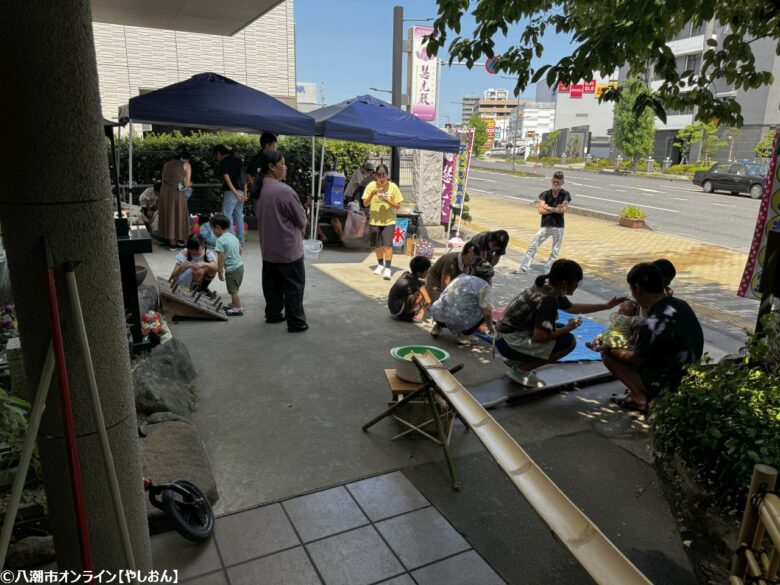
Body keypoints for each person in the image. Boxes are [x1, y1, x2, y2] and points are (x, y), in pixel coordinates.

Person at [496, 259, 625, 387]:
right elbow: (539, 337)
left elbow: (572, 308)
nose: (577, 286)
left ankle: (516, 361)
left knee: (558, 328)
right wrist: (569, 328)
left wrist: (606, 306)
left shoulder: (546, 286)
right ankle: (520, 370)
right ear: (564, 283)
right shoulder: (548, 300)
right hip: (508, 343)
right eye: (577, 283)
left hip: (503, 337)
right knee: (568, 341)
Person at [603, 263, 703, 414]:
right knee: (629, 348)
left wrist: (610, 347)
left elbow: (636, 359)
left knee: (608, 354)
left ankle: (639, 398)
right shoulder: (681, 304)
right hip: (688, 374)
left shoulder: (652, 322)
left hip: (668, 382)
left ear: (637, 288)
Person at [254, 151, 309, 332]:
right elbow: (301, 220)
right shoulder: (284, 191)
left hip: (268, 249)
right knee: (293, 286)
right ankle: (296, 321)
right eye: (283, 164)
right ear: (272, 167)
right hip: (287, 249)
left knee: (272, 285)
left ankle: (273, 314)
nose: (285, 167)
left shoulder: (259, 189)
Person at [514, 171, 571, 273]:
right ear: (551, 179)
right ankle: (524, 268)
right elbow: (540, 210)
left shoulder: (565, 194)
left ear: (563, 182)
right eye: (555, 178)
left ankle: (548, 271)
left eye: (559, 179)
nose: (556, 181)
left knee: (555, 250)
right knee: (533, 246)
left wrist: (548, 207)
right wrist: (555, 209)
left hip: (558, 226)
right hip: (545, 225)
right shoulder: (545, 194)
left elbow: (563, 209)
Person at [429, 261, 495, 345]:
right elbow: (487, 313)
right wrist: (490, 328)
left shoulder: (461, 277)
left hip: (437, 313)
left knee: (449, 302)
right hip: (456, 320)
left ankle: (437, 327)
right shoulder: (484, 286)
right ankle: (463, 336)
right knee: (485, 309)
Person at [362, 163, 403, 280]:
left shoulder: (393, 187)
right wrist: (372, 194)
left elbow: (398, 206)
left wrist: (387, 200)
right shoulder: (371, 186)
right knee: (377, 245)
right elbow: (365, 203)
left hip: (389, 221)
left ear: (387, 175)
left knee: (388, 245)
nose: (381, 179)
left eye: (383, 176)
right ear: (376, 176)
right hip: (374, 220)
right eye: (379, 176)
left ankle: (388, 268)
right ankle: (380, 265)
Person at [210, 214, 244, 317]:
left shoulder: (220, 241)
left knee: (233, 290)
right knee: (234, 288)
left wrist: (220, 271)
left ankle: (238, 308)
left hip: (232, 269)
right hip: (240, 266)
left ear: (218, 228)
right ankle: (234, 304)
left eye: (213, 229)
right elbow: (240, 250)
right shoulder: (233, 237)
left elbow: (221, 257)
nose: (213, 232)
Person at [158, 152, 192, 250]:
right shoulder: (186, 165)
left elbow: (165, 179)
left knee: (169, 216)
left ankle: (172, 244)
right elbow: (186, 184)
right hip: (177, 192)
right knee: (181, 214)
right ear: (184, 158)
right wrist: (189, 186)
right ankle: (185, 242)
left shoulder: (167, 164)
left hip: (165, 191)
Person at [388, 256, 432, 322]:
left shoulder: (406, 274)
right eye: (427, 271)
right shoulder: (417, 284)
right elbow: (428, 301)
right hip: (397, 310)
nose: (428, 273)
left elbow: (414, 281)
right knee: (420, 295)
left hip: (392, 307)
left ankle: (407, 312)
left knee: (420, 289)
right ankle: (407, 315)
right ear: (419, 273)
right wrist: (423, 310)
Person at [246, 131, 278, 195]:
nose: (275, 148)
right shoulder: (257, 159)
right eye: (273, 145)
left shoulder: (272, 158)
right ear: (267, 145)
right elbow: (249, 174)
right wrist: (257, 189)